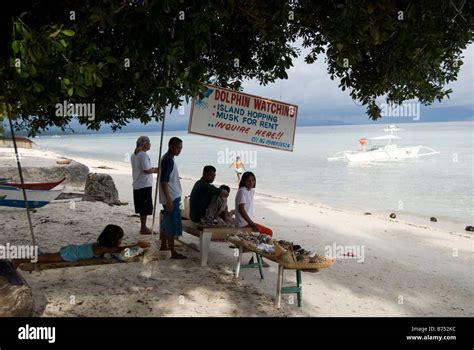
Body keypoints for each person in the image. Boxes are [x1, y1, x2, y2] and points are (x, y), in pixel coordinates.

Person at [11, 224, 150, 268]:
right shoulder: (103, 248)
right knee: (43, 259)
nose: (121, 241)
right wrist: (137, 246)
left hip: (73, 250)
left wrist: (134, 244)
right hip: (71, 255)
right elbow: (120, 250)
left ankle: (30, 256)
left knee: (46, 257)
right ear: (113, 240)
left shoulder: (102, 245)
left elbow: (118, 248)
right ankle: (19, 260)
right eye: (120, 239)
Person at [235, 172, 273, 267]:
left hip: (248, 222)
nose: (251, 182)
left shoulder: (251, 191)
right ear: (243, 181)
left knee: (264, 235)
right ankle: (259, 258)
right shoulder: (242, 191)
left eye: (253, 180)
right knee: (268, 232)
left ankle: (256, 258)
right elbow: (241, 209)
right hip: (244, 224)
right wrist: (252, 223)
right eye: (248, 180)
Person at [159, 137, 185, 259]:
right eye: (177, 147)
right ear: (170, 146)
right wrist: (168, 200)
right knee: (171, 224)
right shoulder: (168, 160)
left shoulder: (168, 158)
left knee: (166, 222)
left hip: (172, 195)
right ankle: (172, 251)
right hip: (172, 197)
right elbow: (164, 181)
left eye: (180, 148)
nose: (179, 150)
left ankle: (164, 245)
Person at [131, 136, 159, 235]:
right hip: (144, 184)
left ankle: (143, 226)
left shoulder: (134, 155)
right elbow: (147, 170)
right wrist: (157, 170)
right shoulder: (143, 155)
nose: (150, 144)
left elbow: (144, 168)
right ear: (144, 144)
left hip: (137, 183)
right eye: (149, 142)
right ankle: (143, 228)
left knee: (141, 206)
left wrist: (154, 169)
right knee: (144, 207)